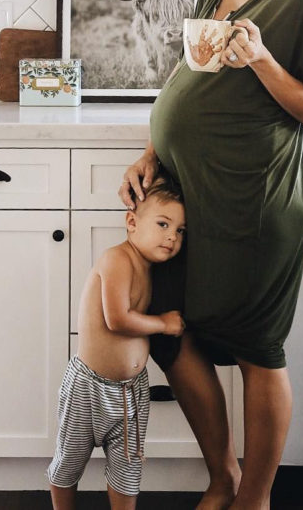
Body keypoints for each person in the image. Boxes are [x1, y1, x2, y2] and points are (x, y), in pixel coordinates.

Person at [118, 0, 303, 510]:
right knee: (169, 329)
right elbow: (191, 71)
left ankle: (255, 497)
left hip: (254, 202)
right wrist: (154, 150)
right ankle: (223, 475)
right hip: (188, 194)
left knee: (255, 351)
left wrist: (265, 59)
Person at [48, 173, 187, 510]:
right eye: (163, 224)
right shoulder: (117, 260)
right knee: (69, 461)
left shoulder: (152, 269)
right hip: (88, 388)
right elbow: (118, 318)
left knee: (128, 467)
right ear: (131, 222)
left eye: (180, 231)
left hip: (131, 391)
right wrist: (164, 324)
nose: (172, 237)